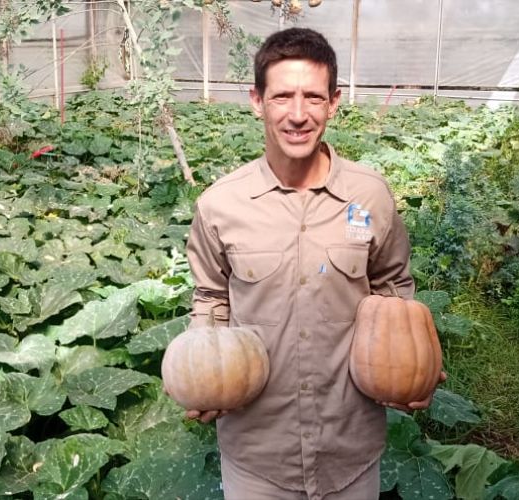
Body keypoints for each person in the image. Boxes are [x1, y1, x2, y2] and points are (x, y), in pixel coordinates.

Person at [185, 27, 443, 500]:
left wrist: (414, 364)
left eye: (313, 97)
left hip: (349, 449)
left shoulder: (369, 196)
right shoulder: (220, 205)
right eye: (282, 96)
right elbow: (210, 298)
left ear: (334, 102)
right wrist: (205, 376)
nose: (298, 114)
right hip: (258, 454)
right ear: (257, 101)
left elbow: (393, 288)